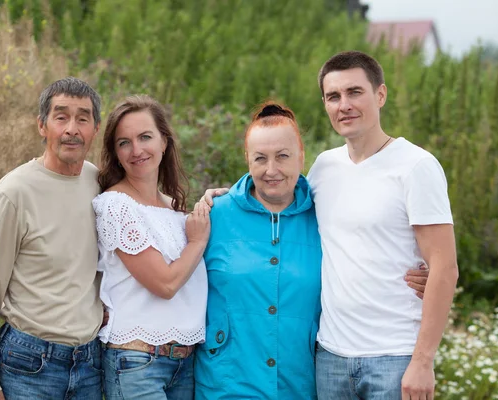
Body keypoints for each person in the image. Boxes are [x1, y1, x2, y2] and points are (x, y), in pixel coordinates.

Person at [311, 51, 458, 400]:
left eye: (354, 92)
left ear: (380, 95)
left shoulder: (416, 166)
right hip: (330, 357)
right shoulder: (322, 168)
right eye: (334, 97)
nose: (344, 105)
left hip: (395, 359)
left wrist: (422, 362)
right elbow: (277, 204)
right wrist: (224, 197)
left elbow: (445, 268)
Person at [0, 77, 105, 400]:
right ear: (42, 126)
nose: (72, 128)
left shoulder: (99, 183)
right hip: (28, 365)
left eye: (83, 118)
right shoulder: (14, 193)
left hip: (90, 365)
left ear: (95, 129)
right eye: (61, 116)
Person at [194, 102, 322, 399]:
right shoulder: (213, 215)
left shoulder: (325, 218)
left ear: (302, 157)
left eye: (283, 156)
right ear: (247, 160)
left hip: (299, 386)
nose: (271, 170)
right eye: (260, 158)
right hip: (226, 387)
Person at [93, 95, 209, 400]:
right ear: (115, 153)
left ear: (164, 143)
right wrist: (197, 241)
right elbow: (165, 283)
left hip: (185, 363)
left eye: (145, 137)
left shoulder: (175, 210)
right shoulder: (116, 205)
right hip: (137, 364)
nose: (137, 150)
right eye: (124, 142)